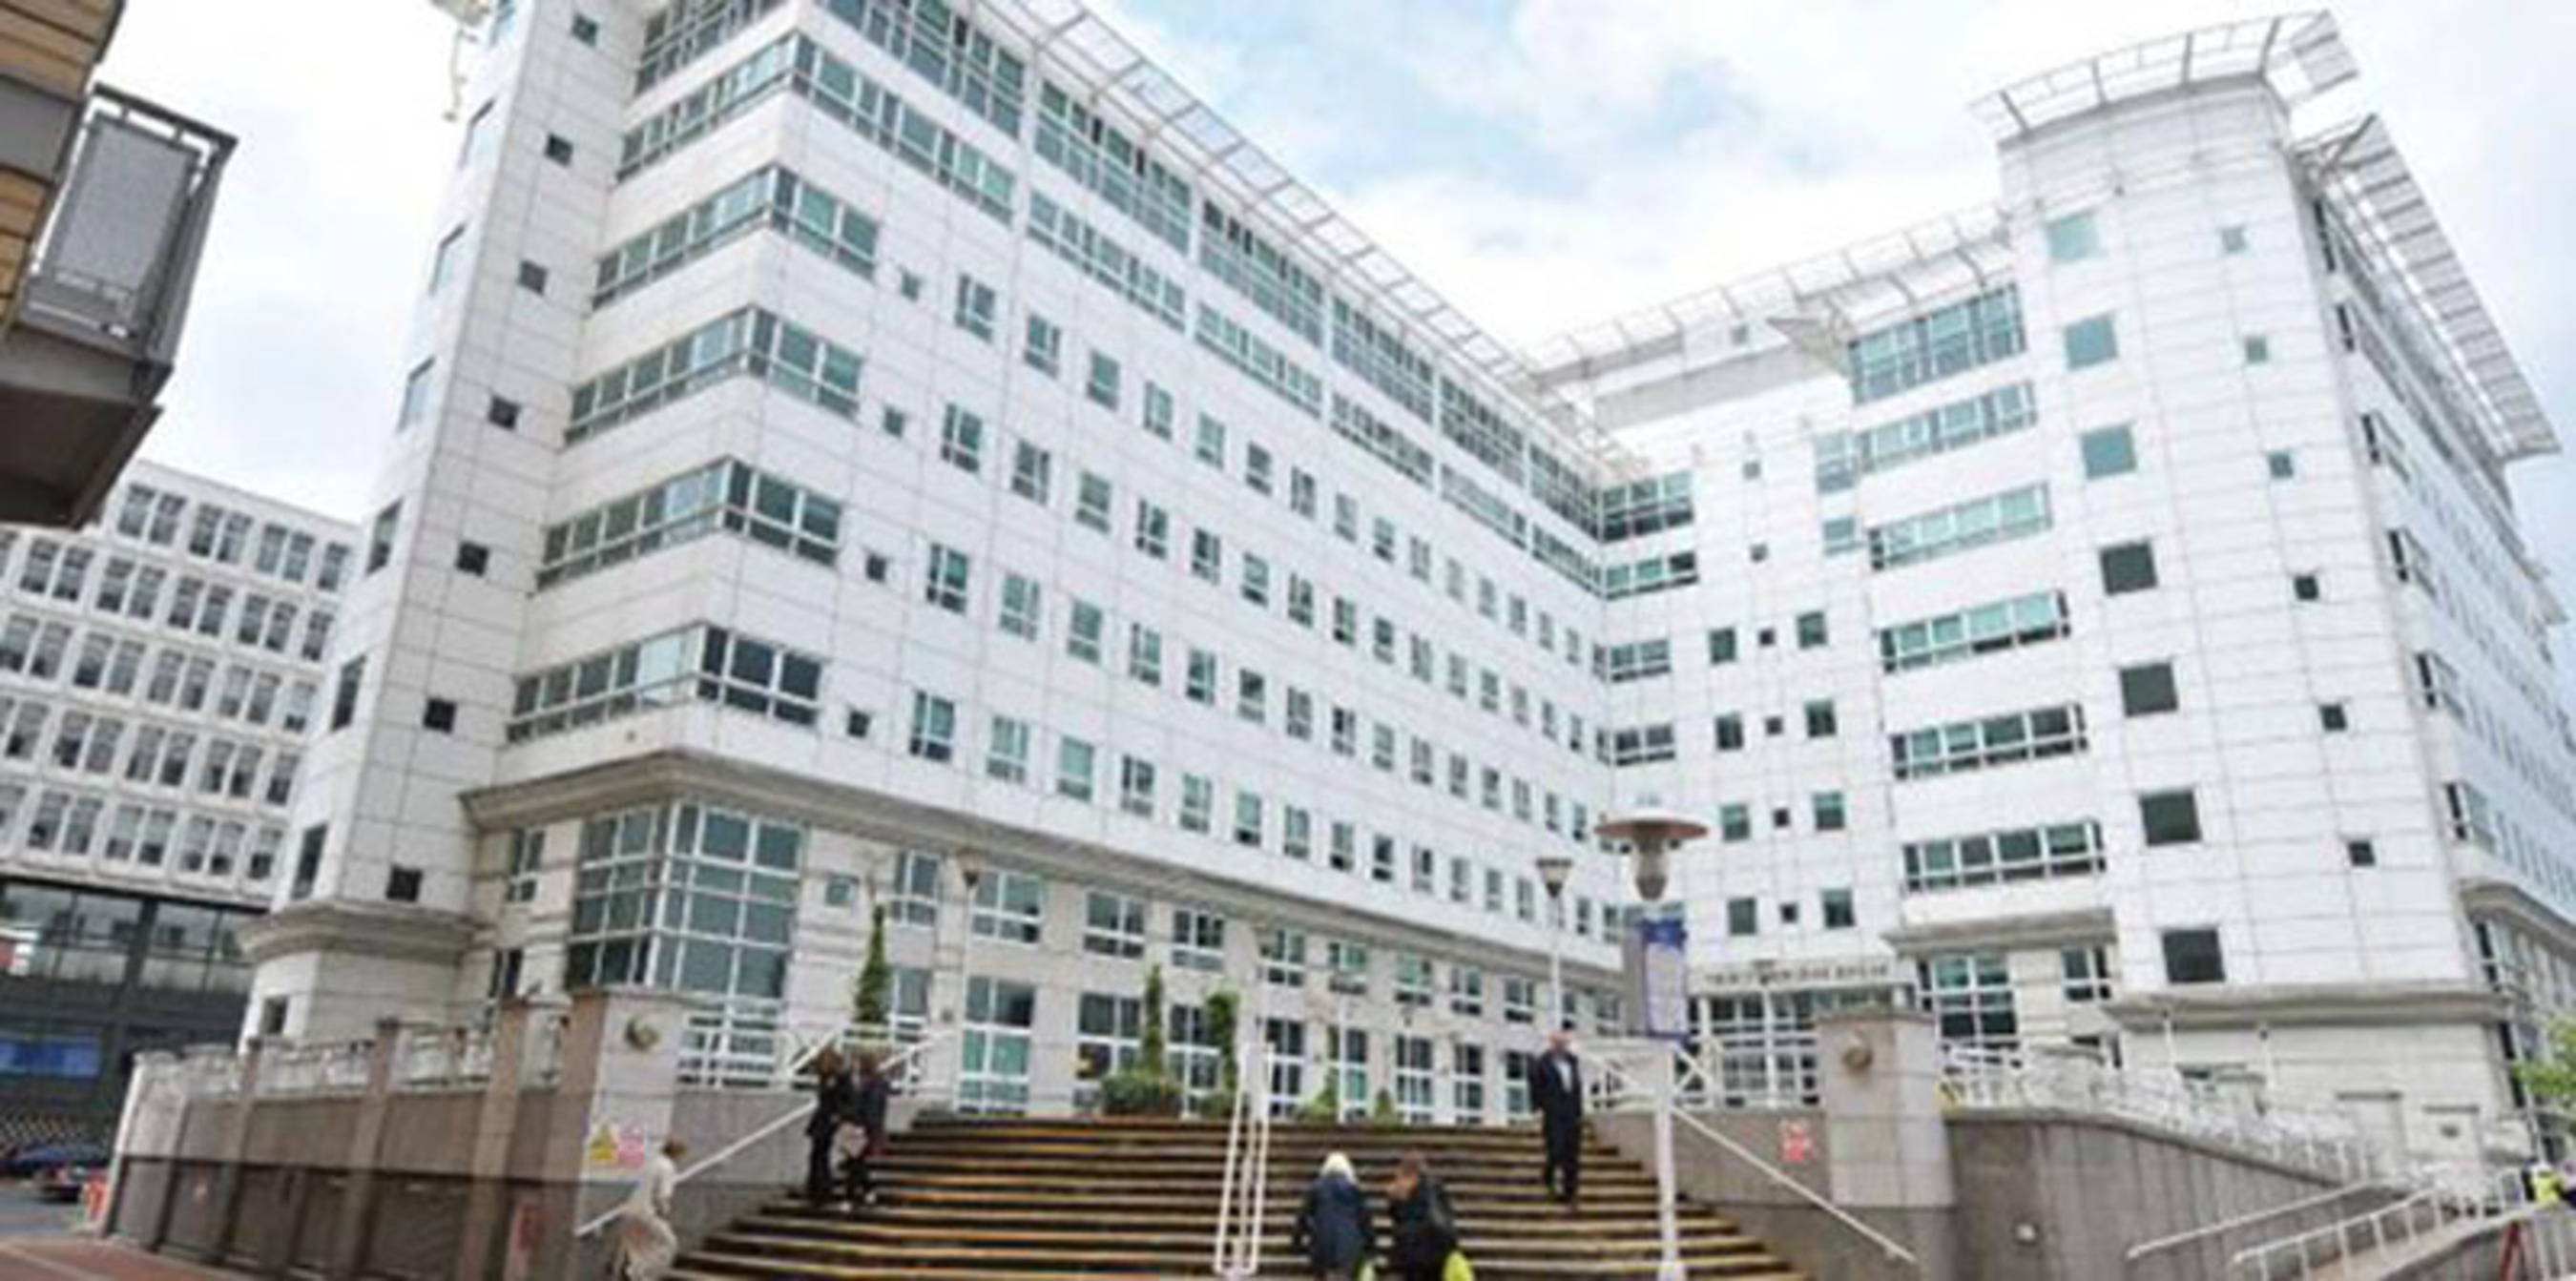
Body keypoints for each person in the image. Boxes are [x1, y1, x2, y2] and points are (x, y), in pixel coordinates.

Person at [609, 1137, 685, 1280]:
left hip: (629, 1211)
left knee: (638, 1250)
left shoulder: (652, 1162)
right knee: (669, 1244)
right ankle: (637, 1274)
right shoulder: (668, 1167)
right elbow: (662, 1197)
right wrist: (665, 1215)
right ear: (677, 1154)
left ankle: (633, 1275)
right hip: (645, 1213)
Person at [1293, 1151, 1375, 1281]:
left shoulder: (1317, 1188)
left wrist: (1297, 1240)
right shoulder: (1353, 1189)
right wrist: (1371, 1244)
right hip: (1349, 1242)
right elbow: (1365, 1218)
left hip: (1322, 1240)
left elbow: (1303, 1215)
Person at [1383, 1151, 1459, 1281]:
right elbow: (1448, 1214)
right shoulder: (1436, 1186)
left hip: (1411, 1252)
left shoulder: (1400, 1189)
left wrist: (1394, 1198)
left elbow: (1397, 1218)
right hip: (1438, 1249)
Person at [1529, 1029, 1583, 1206]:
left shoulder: (1573, 1062)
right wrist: (1538, 1109)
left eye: (1564, 1044)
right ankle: (1548, 1176)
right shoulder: (1542, 1063)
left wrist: (1579, 1112)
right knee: (1556, 1151)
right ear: (1551, 1044)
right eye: (1558, 1043)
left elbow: (1576, 1089)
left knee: (1572, 1155)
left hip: (1571, 1114)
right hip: (1553, 1113)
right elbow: (1536, 1088)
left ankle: (1571, 1193)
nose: (1561, 1047)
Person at [803, 1047, 857, 1205]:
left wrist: (839, 1115)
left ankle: (823, 1189)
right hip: (824, 1120)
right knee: (818, 1155)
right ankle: (818, 1189)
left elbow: (846, 1100)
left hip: (834, 1120)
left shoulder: (841, 1078)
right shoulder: (826, 1077)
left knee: (825, 1156)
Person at [840, 1050, 893, 1207]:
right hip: (853, 1125)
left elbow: (874, 1107)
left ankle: (850, 1197)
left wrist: (866, 1127)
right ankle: (867, 1190)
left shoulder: (876, 1082)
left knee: (854, 1161)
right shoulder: (856, 1081)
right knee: (856, 1161)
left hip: (865, 1127)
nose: (855, 1065)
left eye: (858, 1061)